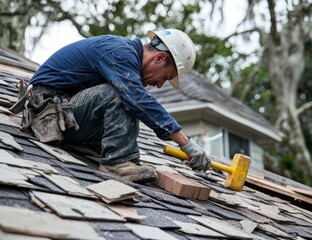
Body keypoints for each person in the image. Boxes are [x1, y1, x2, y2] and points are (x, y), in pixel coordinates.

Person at [24, 29, 211, 183]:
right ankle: (115, 163)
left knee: (128, 98)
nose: (160, 84)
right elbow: (136, 98)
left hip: (65, 117)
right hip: (48, 117)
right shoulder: (119, 52)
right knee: (121, 95)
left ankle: (121, 157)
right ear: (159, 58)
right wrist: (187, 144)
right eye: (166, 77)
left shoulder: (124, 56)